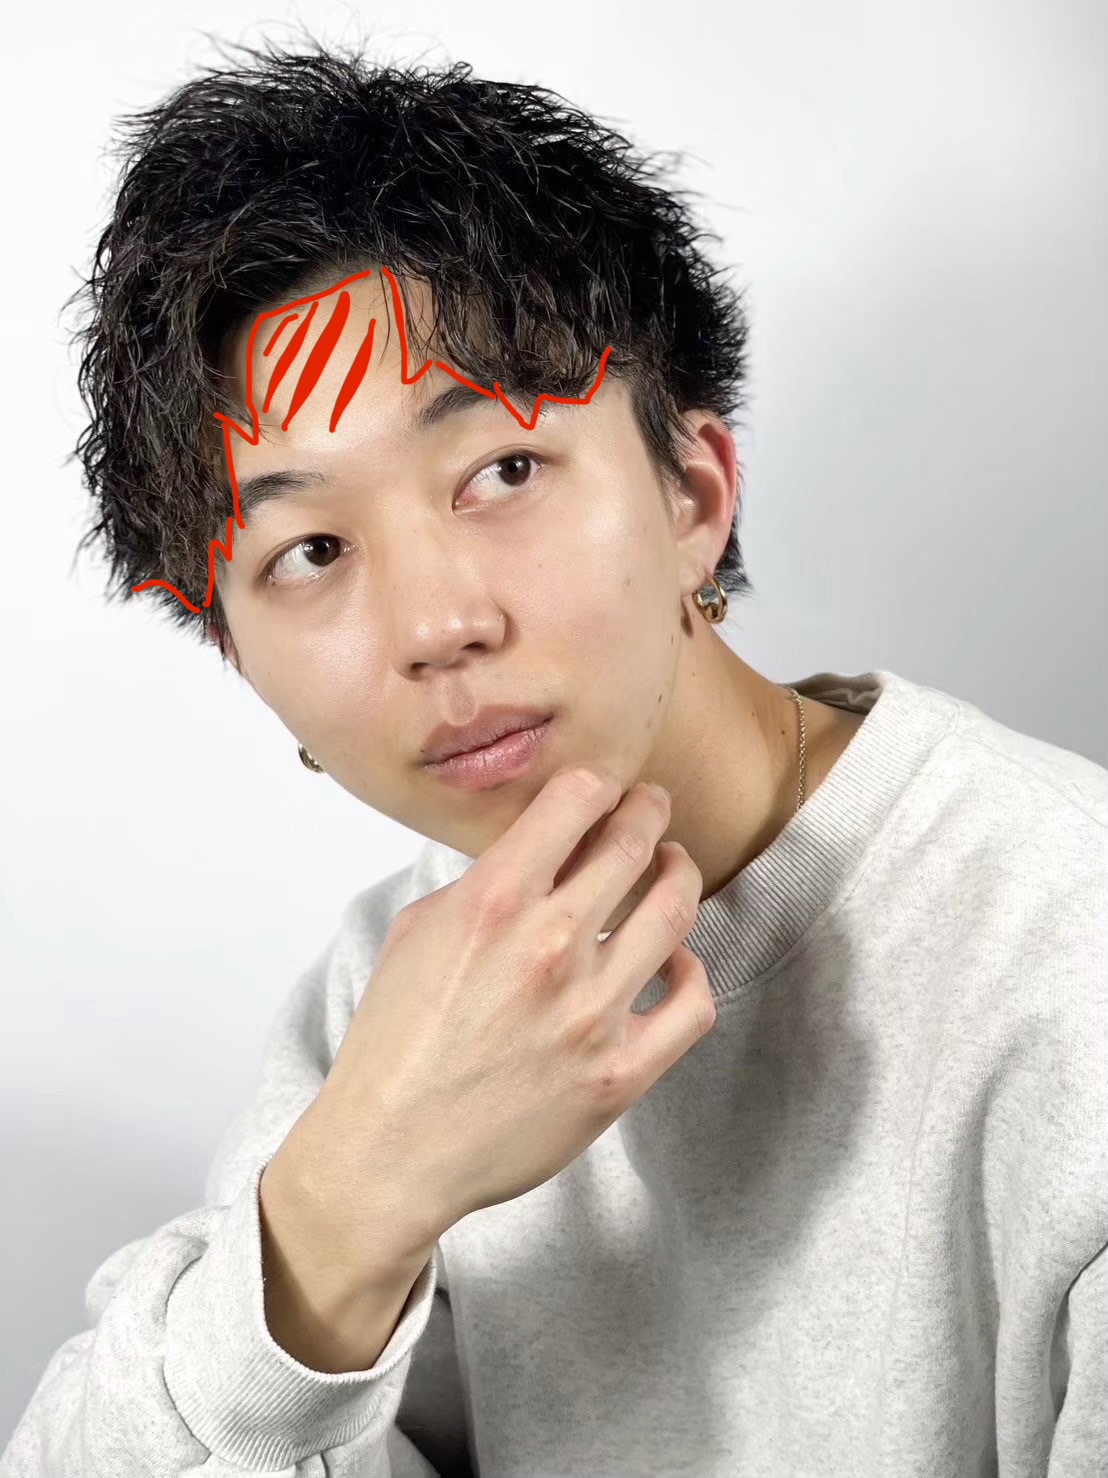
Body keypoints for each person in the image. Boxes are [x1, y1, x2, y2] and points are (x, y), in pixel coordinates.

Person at [5, 36, 1105, 1478]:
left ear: (692, 494)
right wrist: (351, 1200)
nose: (437, 625)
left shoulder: (1063, 960)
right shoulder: (392, 997)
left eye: (504, 471)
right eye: (311, 550)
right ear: (238, 657)